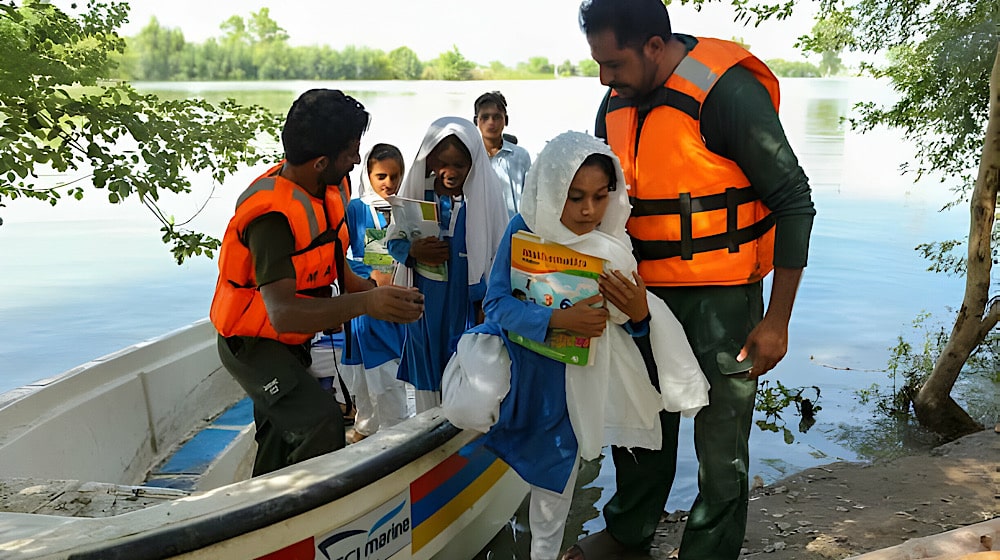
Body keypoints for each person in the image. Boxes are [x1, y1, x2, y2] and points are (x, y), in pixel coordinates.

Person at [567, 1, 818, 559]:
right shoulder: (614, 103)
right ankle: (629, 532)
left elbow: (794, 201)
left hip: (723, 299)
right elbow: (596, 204)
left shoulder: (726, 92)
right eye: (598, 64)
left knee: (720, 442)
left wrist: (778, 319)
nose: (604, 78)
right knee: (639, 420)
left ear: (654, 46)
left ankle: (709, 549)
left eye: (613, 63)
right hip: (640, 296)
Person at [441, 131, 710, 560]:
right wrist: (555, 320)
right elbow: (496, 303)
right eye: (574, 197)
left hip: (572, 387)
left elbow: (630, 327)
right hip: (522, 374)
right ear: (549, 189)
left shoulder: (614, 245)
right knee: (501, 440)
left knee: (554, 492)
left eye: (600, 197)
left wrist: (639, 313)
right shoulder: (524, 229)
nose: (588, 211)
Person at [209, 89, 425, 477]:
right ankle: (307, 519)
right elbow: (284, 314)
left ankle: (261, 515)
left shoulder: (328, 187)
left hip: (290, 344)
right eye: (350, 152)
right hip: (254, 347)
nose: (357, 160)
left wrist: (378, 293)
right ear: (322, 161)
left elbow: (333, 268)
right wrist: (366, 306)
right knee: (322, 422)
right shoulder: (271, 218)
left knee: (278, 436)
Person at [386, 117, 508, 412]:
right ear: (429, 162)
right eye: (442, 164)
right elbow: (393, 241)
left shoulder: (483, 200)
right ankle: (428, 429)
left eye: (459, 166)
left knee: (465, 372)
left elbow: (498, 254)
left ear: (474, 163)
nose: (450, 173)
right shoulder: (418, 197)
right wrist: (414, 250)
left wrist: (487, 303)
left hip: (466, 306)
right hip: (425, 307)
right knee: (427, 376)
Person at [340, 143, 411, 442]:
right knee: (361, 373)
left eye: (395, 176)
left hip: (396, 302)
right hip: (364, 303)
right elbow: (341, 258)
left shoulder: (406, 209)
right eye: (381, 176)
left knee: (388, 370)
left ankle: (397, 430)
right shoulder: (358, 209)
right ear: (367, 174)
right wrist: (370, 274)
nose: (389, 183)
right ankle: (366, 426)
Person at [474, 91, 532, 219]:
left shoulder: (520, 156)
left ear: (506, 120)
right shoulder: (471, 156)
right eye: (485, 117)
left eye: (497, 117)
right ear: (476, 121)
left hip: (512, 229)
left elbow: (530, 199)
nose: (491, 122)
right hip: (478, 227)